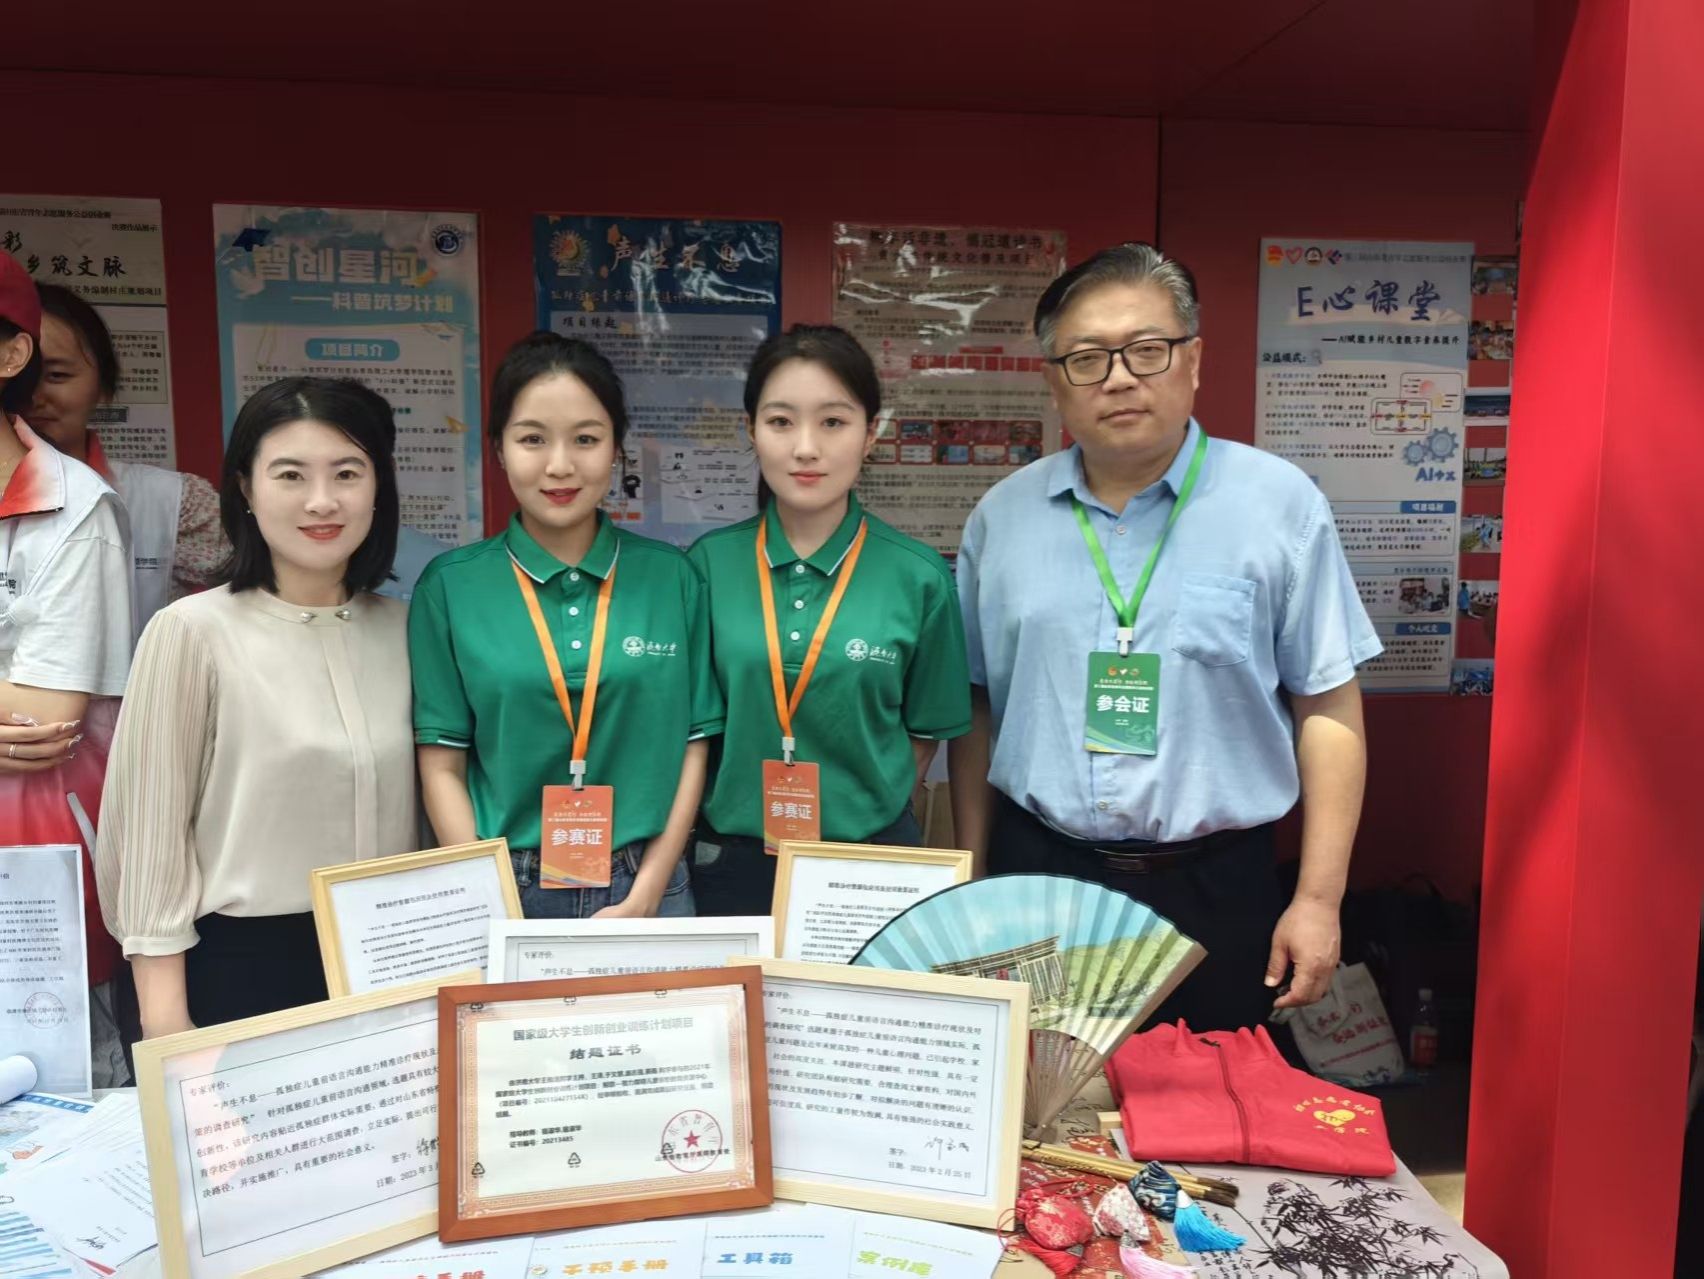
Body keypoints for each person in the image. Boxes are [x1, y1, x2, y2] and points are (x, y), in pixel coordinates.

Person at [951, 243, 1381, 1031]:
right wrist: (972, 877)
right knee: (1037, 1096)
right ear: (1054, 381)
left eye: (1146, 349)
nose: (1118, 378)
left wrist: (1319, 899)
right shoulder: (1001, 519)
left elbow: (1328, 705)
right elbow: (976, 709)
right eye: (1087, 358)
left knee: (1212, 1096)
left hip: (1217, 884)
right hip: (1040, 872)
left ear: (1194, 360)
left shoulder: (1278, 506)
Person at [96, 377, 416, 1035]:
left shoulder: (411, 630)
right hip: (238, 968)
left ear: (378, 487)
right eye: (290, 475)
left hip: (393, 961)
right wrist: (168, 1024)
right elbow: (149, 841)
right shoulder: (191, 631)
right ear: (245, 487)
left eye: (347, 473)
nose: (322, 500)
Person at [409, 332, 718, 919]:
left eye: (586, 439)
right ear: (499, 449)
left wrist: (649, 890)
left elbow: (693, 746)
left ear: (616, 449)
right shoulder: (450, 586)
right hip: (506, 882)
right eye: (532, 438)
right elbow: (442, 763)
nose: (559, 465)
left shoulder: (672, 577)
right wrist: (487, 895)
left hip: (649, 880)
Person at [687, 325, 972, 916]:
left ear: (871, 433)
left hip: (869, 862)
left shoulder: (918, 575)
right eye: (781, 421)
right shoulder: (706, 566)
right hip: (731, 863)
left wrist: (864, 807)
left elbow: (925, 730)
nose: (806, 448)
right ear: (751, 430)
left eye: (833, 422)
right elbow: (691, 731)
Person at [0, 252, 134, 1084]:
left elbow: (42, 717)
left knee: (54, 1105)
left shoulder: (72, 505)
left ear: (11, 353)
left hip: (31, 872)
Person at [32, 284, 224, 635]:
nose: (31, 395)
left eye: (56, 375)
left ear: (103, 386)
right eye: (13, 376)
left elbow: (264, 594)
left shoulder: (176, 504)